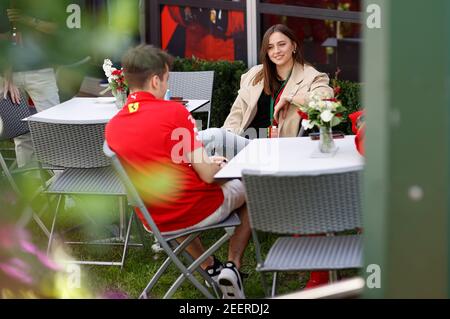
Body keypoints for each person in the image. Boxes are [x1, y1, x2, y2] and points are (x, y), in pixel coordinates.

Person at [105, 45, 251, 299]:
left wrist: (205, 162)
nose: (165, 86)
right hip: (194, 208)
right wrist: (222, 167)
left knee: (175, 198)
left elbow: (163, 161)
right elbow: (207, 177)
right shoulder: (174, 111)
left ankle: (209, 268)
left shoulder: (113, 126)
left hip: (153, 216)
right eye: (166, 79)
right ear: (154, 80)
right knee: (253, 184)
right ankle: (233, 267)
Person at [199, 24, 334, 159]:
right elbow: (236, 114)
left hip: (280, 150)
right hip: (247, 144)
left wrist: (290, 97)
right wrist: (225, 145)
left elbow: (325, 98)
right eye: (270, 47)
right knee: (211, 146)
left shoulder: (311, 76)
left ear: (294, 46)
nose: (276, 51)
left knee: (212, 138)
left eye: (282, 44)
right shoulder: (255, 74)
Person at [0, 0, 63, 168]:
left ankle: (59, 183)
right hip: (10, 76)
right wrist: (7, 74)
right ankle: (30, 185)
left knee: (52, 126)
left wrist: (26, 19)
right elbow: (3, 37)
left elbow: (57, 28)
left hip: (40, 70)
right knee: (20, 133)